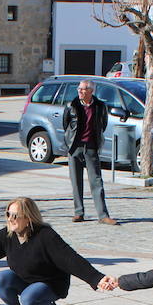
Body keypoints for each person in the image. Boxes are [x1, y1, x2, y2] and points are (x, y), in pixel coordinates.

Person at [61, 79, 116, 224]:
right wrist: (69, 143)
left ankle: (103, 215)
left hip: (91, 147)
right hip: (74, 147)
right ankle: (79, 212)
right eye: (79, 88)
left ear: (91, 91)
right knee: (76, 182)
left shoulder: (99, 106)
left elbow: (102, 124)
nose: (79, 91)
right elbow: (66, 124)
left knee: (96, 181)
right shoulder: (71, 105)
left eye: (83, 89)